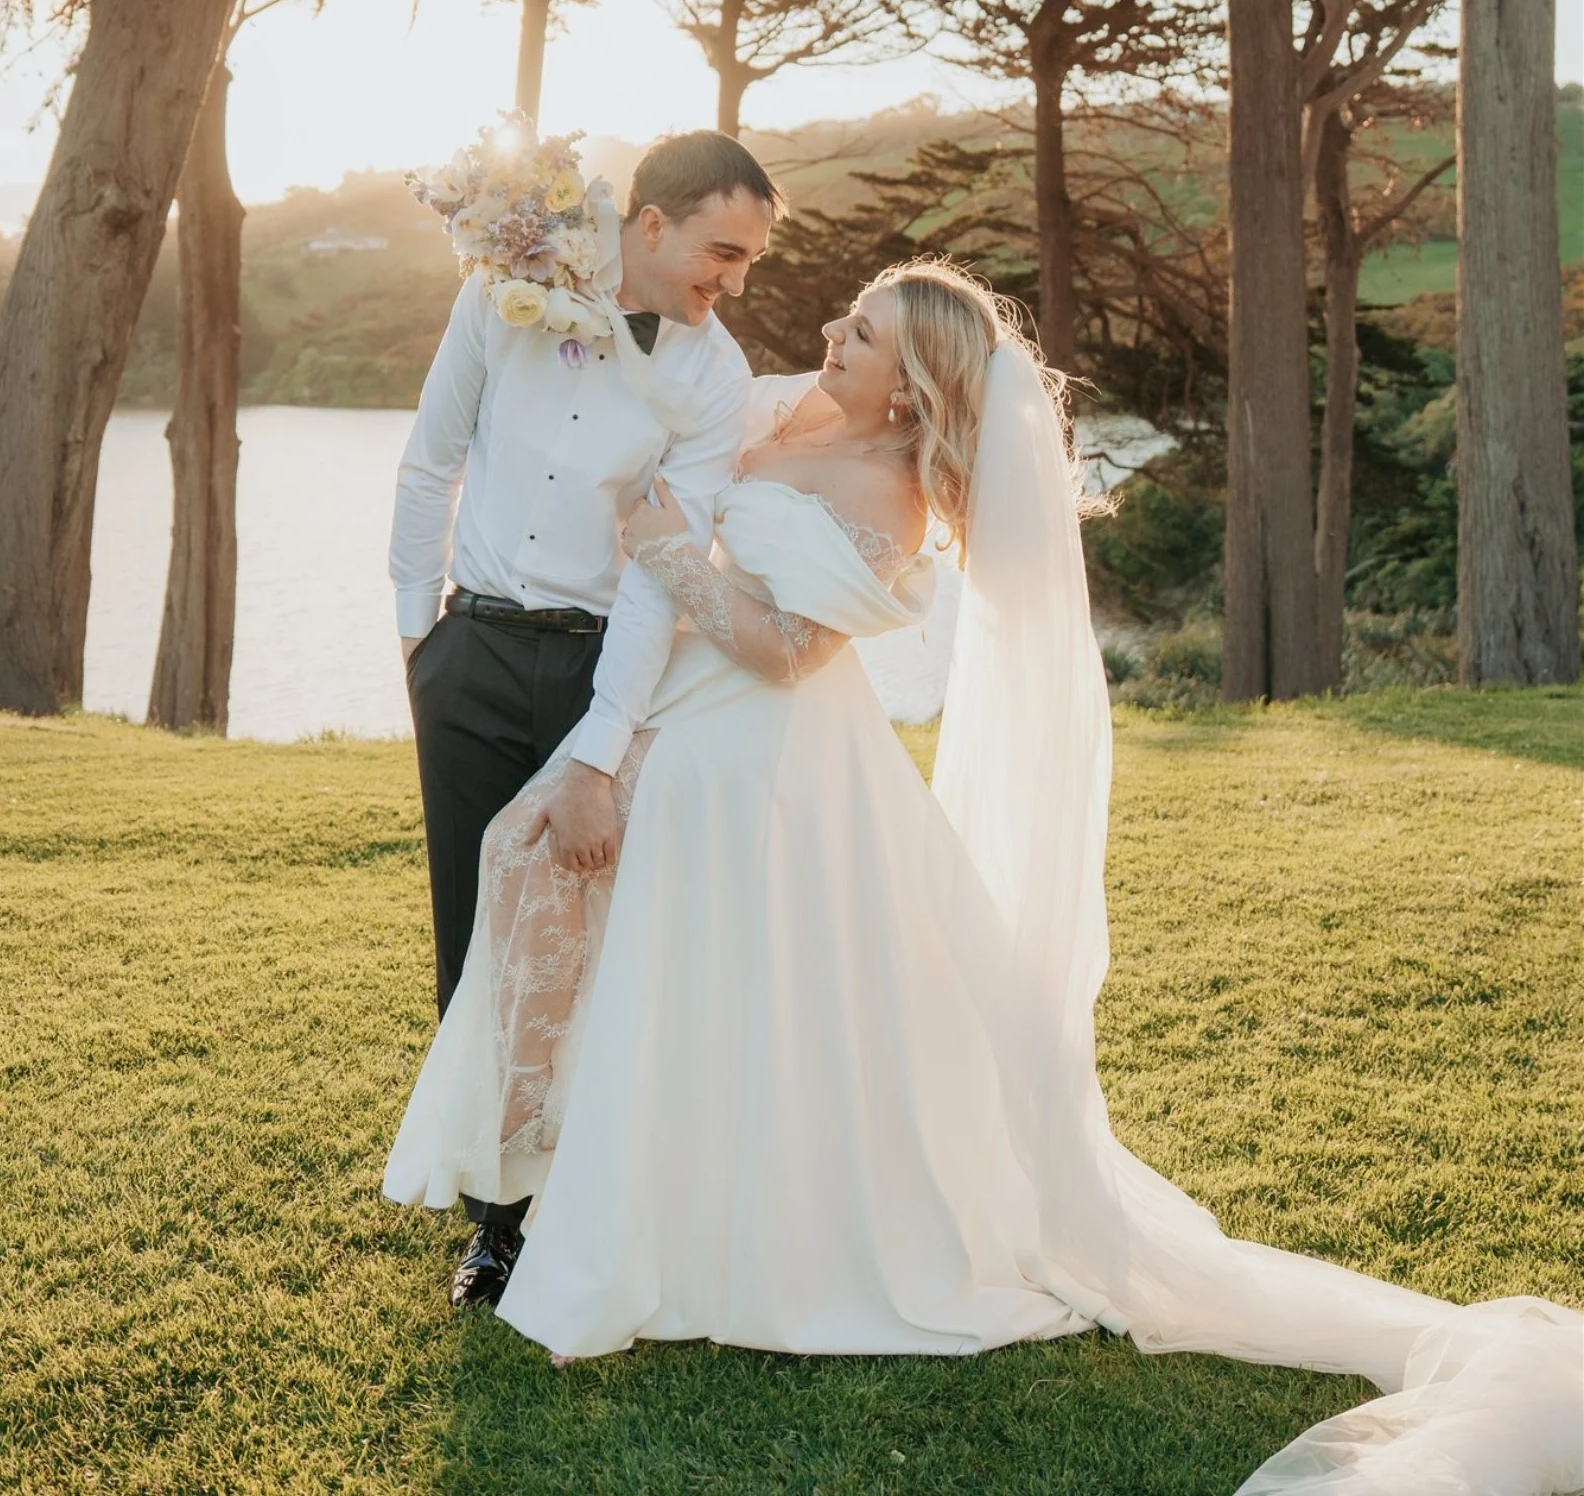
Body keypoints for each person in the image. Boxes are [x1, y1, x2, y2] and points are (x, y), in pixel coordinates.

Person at [386, 258, 1582, 1495]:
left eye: (865, 335)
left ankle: (716, 1241)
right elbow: (661, 425)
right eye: (849, 320)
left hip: (765, 757)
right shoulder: (782, 402)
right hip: (678, 727)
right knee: (658, 972)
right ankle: (573, 1202)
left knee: (733, 980)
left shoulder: (890, 491)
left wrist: (666, 552)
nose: (834, 337)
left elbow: (790, 653)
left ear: (913, 394)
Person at [389, 128, 779, 1306]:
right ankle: (494, 1221)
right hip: (470, 652)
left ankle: (587, 1193)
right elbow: (428, 460)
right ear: (647, 225)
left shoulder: (717, 379)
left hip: (600, 676)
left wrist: (601, 752)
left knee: (582, 946)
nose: (735, 280)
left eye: (752, 259)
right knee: (474, 931)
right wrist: (421, 640)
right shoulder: (500, 291)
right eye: (724, 250)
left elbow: (667, 565)